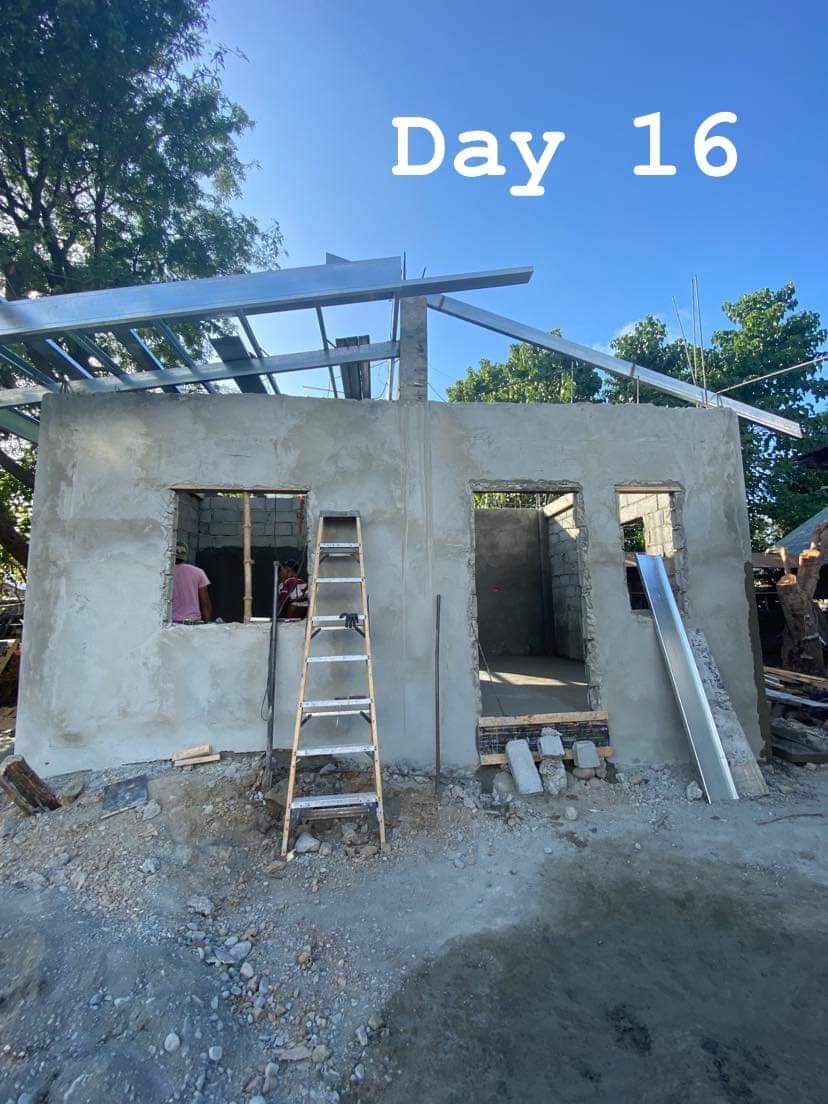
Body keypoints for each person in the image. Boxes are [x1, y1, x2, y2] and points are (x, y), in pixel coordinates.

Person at [172, 542, 212, 624]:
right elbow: (205, 603)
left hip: (170, 623)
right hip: (192, 622)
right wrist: (207, 625)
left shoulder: (165, 574)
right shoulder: (198, 572)